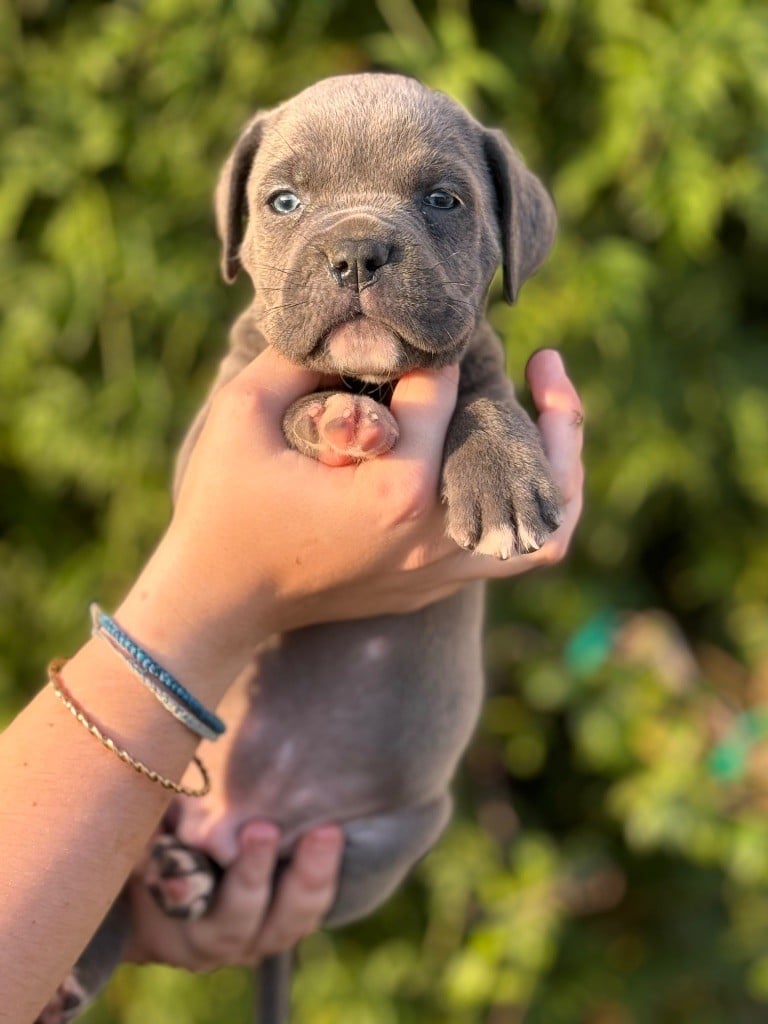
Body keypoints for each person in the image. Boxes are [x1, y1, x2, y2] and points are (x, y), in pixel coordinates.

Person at [0, 347, 583, 1023]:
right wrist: (209, 601)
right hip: (177, 786)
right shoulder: (264, 355)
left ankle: (113, 927)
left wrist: (495, 439)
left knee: (373, 850)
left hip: (361, 820)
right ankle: (107, 935)